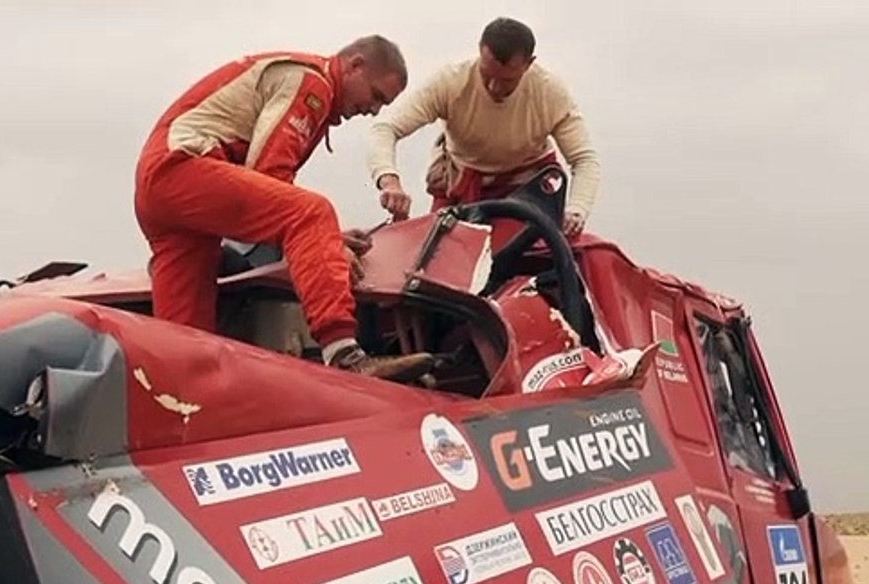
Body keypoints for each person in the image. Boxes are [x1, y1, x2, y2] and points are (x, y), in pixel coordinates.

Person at [133, 36, 436, 382]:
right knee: (312, 212)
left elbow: (263, 199)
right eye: (376, 96)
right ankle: (344, 355)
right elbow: (269, 175)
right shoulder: (313, 83)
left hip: (160, 187)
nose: (373, 110)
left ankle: (180, 401)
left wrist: (325, 241)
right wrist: (325, 245)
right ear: (354, 66)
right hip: (183, 166)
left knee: (185, 340)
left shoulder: (299, 78)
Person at [366, 18, 602, 237]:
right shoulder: (451, 82)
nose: (494, 87)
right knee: (433, 263)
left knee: (545, 258)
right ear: (480, 51)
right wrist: (390, 181)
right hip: (461, 189)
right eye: (487, 74)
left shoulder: (549, 92)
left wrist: (576, 209)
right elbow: (386, 128)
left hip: (527, 193)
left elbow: (584, 159)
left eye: (507, 80)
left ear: (529, 64)